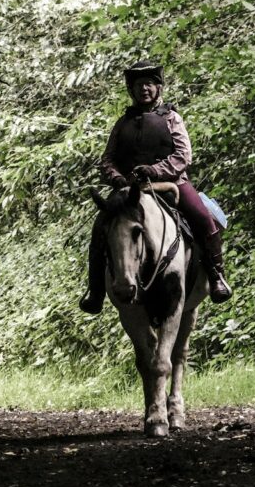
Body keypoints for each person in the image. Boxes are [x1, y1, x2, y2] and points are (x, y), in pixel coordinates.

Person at [79, 60, 232, 314]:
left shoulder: (172, 118)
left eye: (149, 84)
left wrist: (155, 170)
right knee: (100, 228)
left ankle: (217, 276)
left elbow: (183, 155)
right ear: (132, 90)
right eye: (139, 85)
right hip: (130, 189)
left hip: (171, 184)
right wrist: (116, 177)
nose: (144, 89)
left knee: (203, 218)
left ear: (158, 88)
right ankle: (95, 291)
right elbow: (107, 159)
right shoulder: (122, 123)